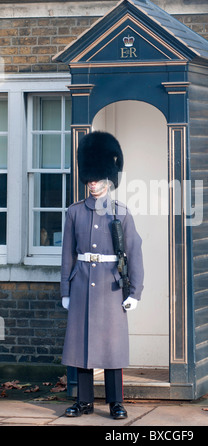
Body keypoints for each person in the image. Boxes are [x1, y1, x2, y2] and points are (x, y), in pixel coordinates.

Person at [60, 131, 144, 420]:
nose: (93, 184)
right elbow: (68, 255)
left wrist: (135, 292)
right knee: (81, 348)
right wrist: (65, 292)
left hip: (110, 287)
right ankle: (83, 401)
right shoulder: (74, 213)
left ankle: (115, 403)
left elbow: (134, 253)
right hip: (82, 284)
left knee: (112, 349)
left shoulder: (121, 214)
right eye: (90, 179)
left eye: (98, 179)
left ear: (108, 179)